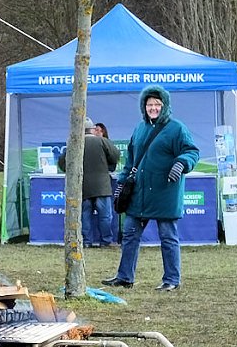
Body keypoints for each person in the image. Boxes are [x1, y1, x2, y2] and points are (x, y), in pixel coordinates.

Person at [102, 85, 199, 291]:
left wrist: (181, 163)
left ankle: (172, 279)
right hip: (139, 193)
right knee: (129, 234)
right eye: (149, 104)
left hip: (165, 192)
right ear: (143, 106)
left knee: (167, 236)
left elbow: (191, 151)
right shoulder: (139, 128)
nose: (153, 108)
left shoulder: (176, 128)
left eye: (157, 104)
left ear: (164, 106)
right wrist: (121, 182)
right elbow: (131, 159)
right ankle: (125, 276)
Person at [58, 117, 121, 248]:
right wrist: (108, 165)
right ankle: (106, 241)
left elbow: (62, 163)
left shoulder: (74, 143)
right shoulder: (102, 141)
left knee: (85, 216)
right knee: (105, 217)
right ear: (92, 129)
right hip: (102, 187)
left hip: (82, 187)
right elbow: (116, 156)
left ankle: (86, 242)